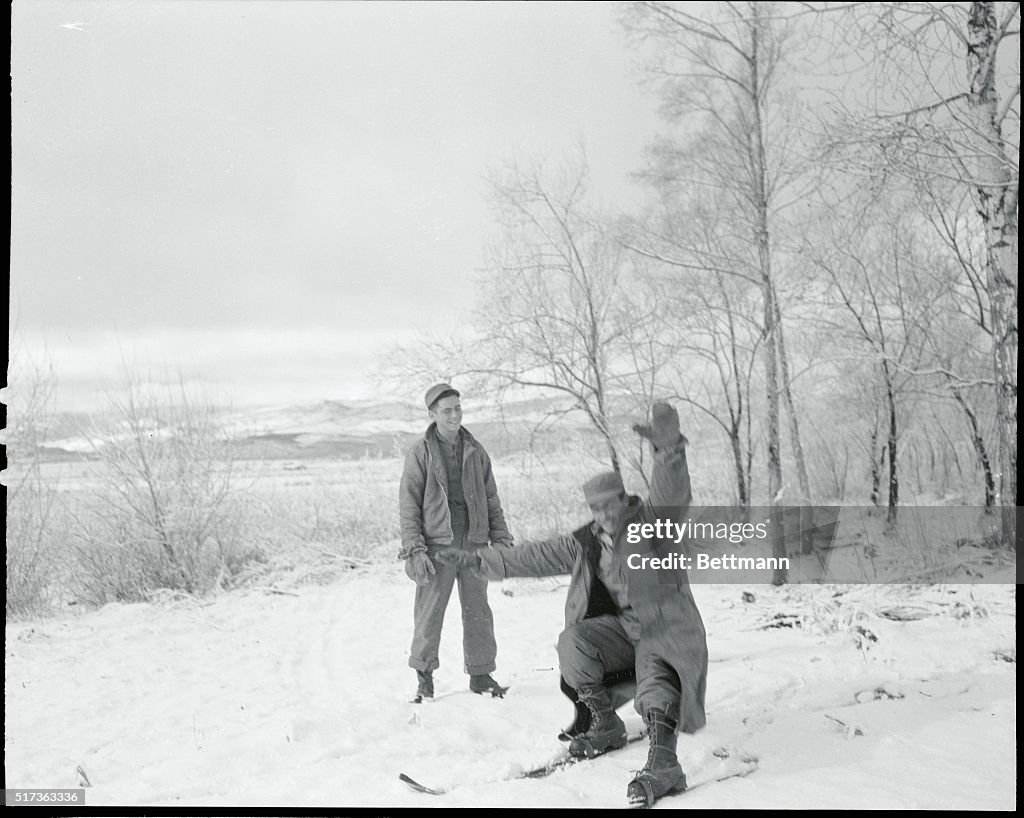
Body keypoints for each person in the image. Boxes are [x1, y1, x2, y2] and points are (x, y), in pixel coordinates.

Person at [435, 402, 707, 808]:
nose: (605, 514)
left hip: (661, 630)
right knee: (573, 643)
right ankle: (606, 723)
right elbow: (536, 555)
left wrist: (669, 450)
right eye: (596, 508)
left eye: (611, 504)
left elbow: (671, 492)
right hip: (619, 633)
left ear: (625, 500)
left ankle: (664, 762)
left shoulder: (654, 524)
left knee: (656, 678)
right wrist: (480, 559)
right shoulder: (586, 541)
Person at [398, 382, 514, 703]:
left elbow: (492, 498)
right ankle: (424, 677)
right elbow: (408, 504)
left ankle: (480, 673)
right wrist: (414, 548)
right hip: (439, 545)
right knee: (430, 611)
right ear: (433, 414)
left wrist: (501, 539)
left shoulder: (476, 450)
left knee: (478, 608)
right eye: (447, 410)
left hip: (474, 541)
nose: (454, 415)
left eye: (457, 408)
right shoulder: (420, 452)